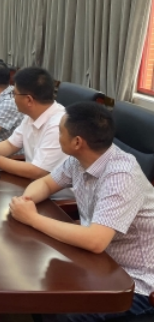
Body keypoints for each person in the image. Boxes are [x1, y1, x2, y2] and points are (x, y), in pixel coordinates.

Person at [10, 102, 154, 321]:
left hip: (135, 282)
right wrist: (26, 201)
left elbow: (96, 241)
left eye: (60, 131)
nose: (58, 136)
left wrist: (32, 218)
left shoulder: (121, 176)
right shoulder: (79, 160)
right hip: (99, 261)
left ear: (77, 142)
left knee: (66, 312)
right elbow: (46, 183)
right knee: (37, 282)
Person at [0, 67, 67, 179]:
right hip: (33, 182)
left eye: (14, 94)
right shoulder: (31, 115)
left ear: (28, 100)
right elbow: (10, 145)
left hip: (51, 188)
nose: (13, 98)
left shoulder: (58, 126)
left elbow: (38, 171)